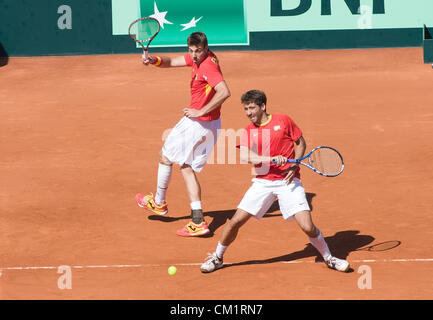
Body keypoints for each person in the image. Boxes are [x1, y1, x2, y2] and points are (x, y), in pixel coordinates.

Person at [200, 90, 350, 272]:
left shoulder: (283, 120)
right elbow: (246, 155)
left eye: (252, 108)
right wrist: (270, 159)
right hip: (263, 182)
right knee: (235, 221)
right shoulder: (248, 131)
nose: (248, 113)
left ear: (263, 106)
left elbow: (300, 143)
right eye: (246, 109)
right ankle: (217, 257)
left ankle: (329, 258)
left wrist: (295, 165)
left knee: (307, 226)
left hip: (289, 181)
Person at [135, 32, 231, 237]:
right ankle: (198, 221)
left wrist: (201, 111)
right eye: (191, 50)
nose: (194, 55)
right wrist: (153, 60)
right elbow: (172, 62)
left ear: (206, 48)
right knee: (186, 166)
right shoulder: (201, 58)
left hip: (197, 123)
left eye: (198, 51)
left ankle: (159, 202)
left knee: (165, 156)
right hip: (211, 125)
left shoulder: (207, 66)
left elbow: (225, 91)